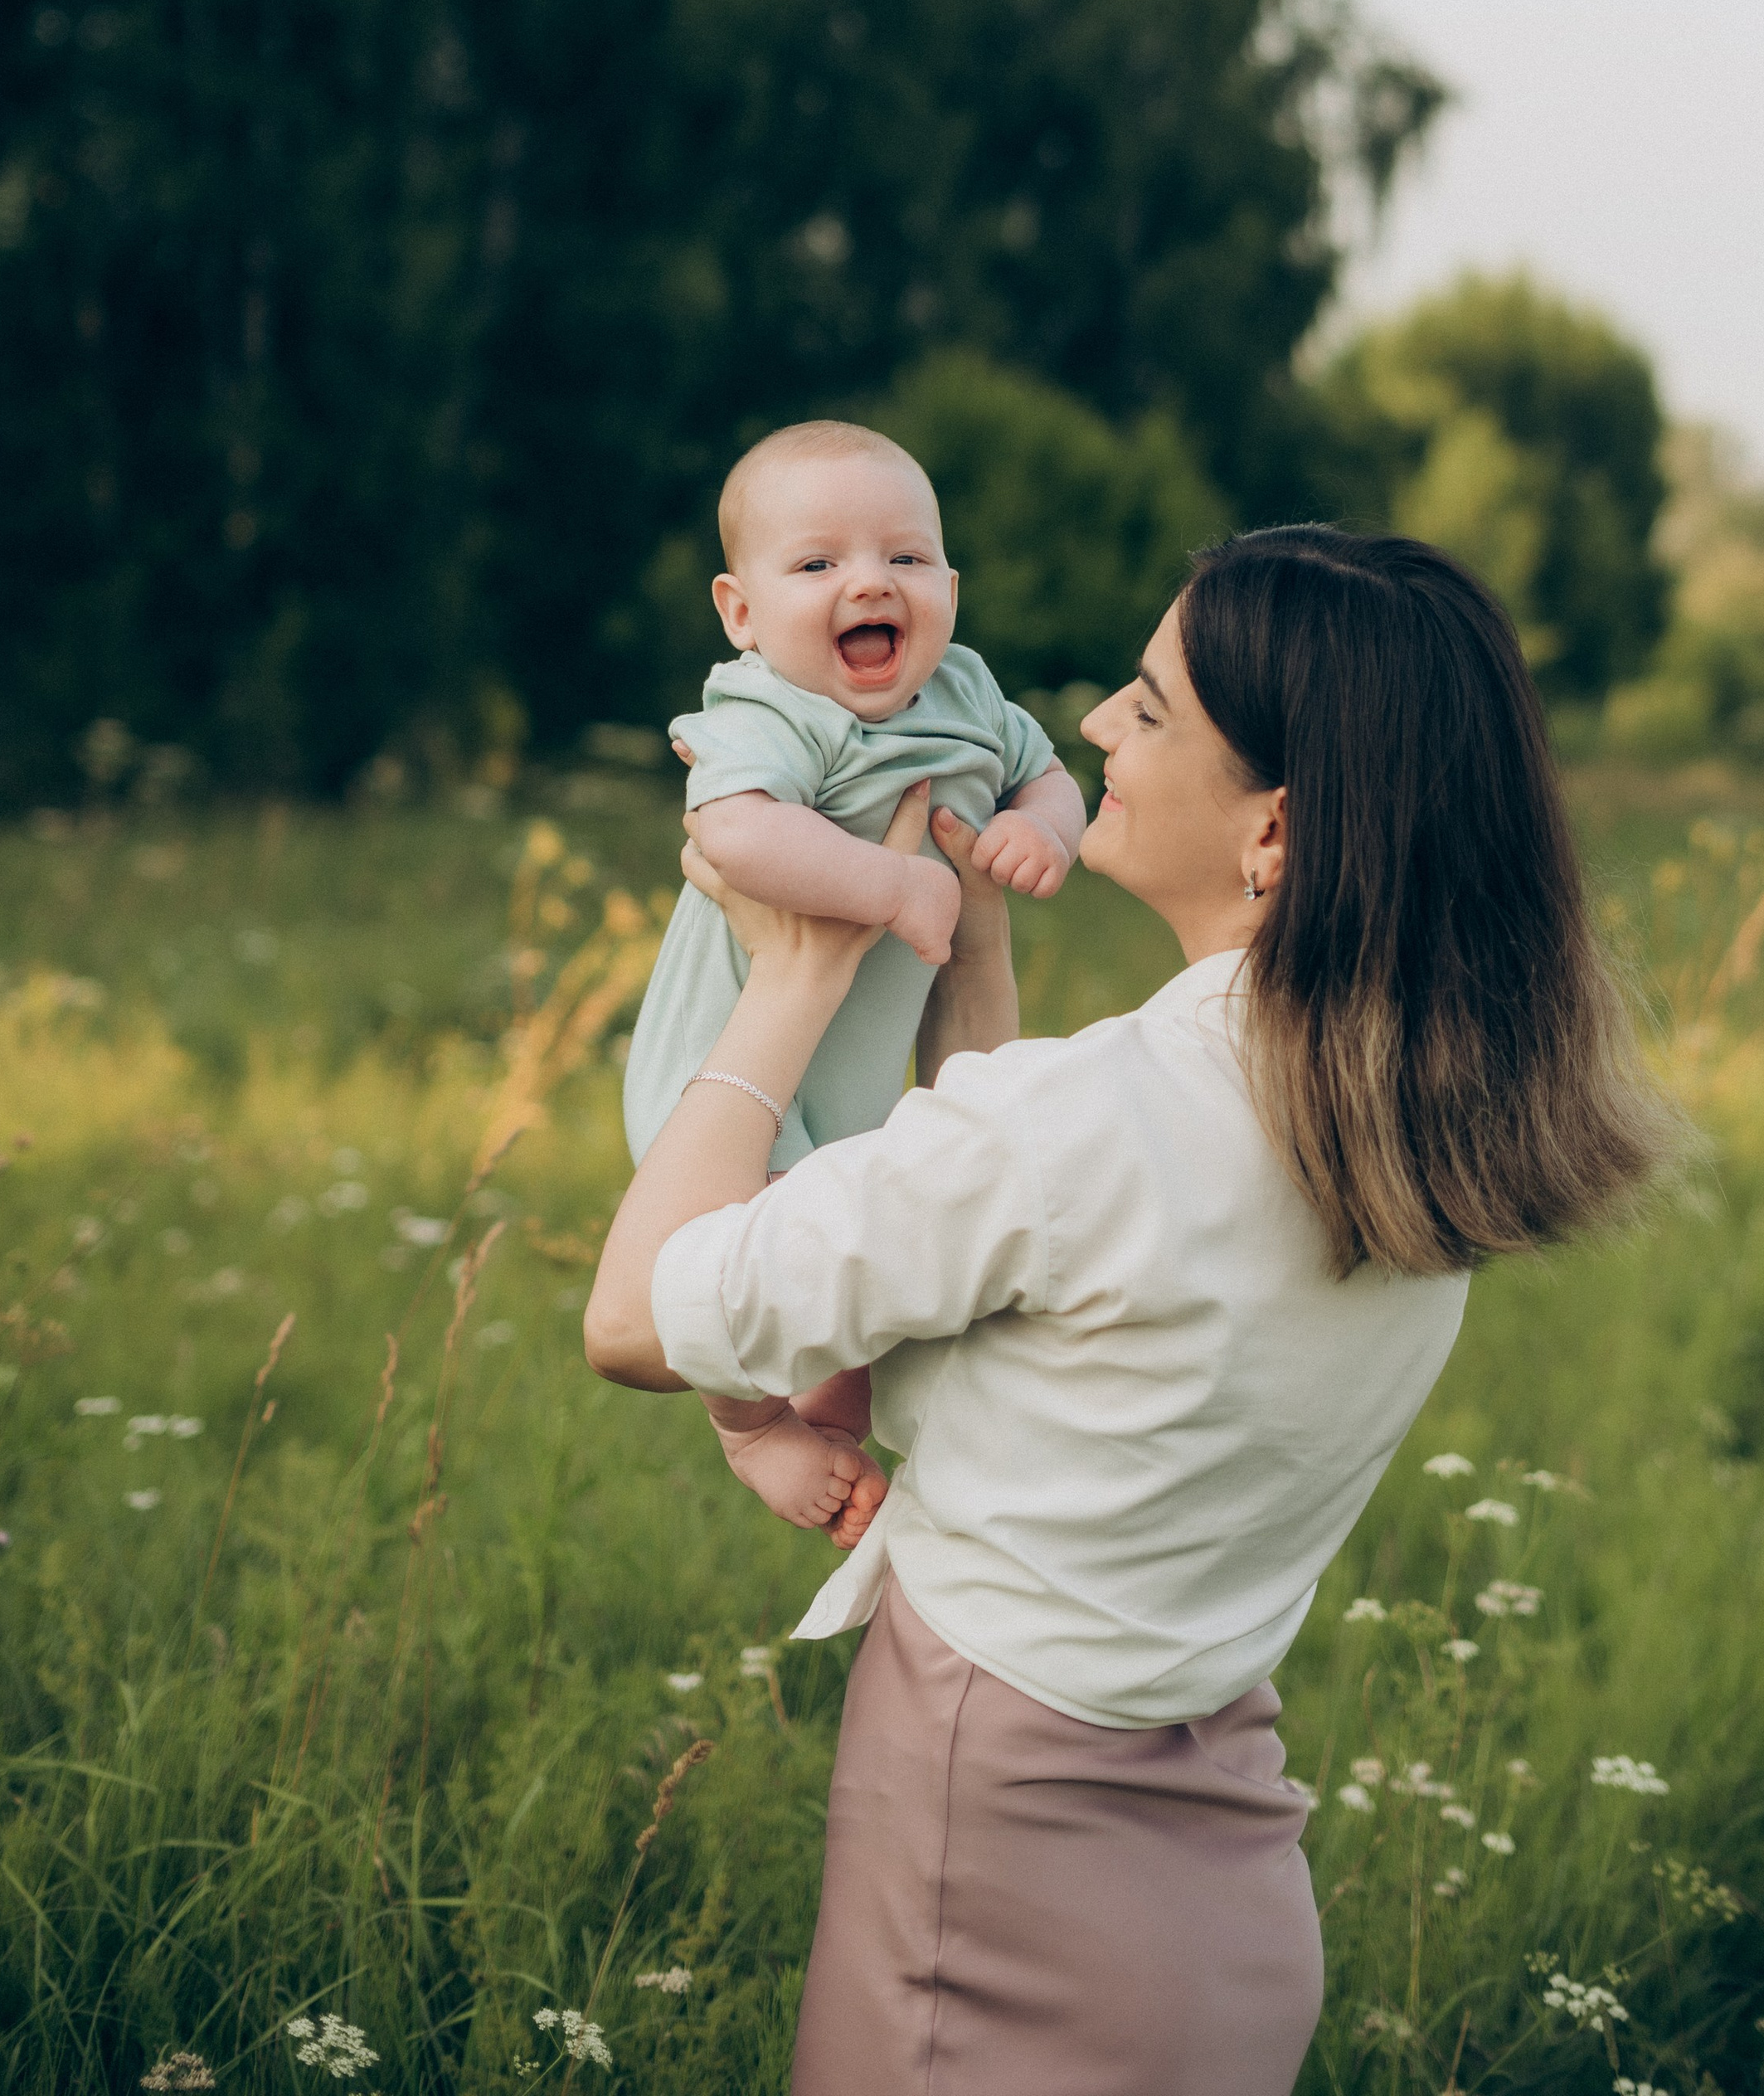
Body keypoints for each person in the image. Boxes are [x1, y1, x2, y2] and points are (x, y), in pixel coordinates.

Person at [586, 526, 1670, 2096]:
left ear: (1275, 828)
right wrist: (975, 945)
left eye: (1150, 707)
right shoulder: (1414, 1133)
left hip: (994, 1856)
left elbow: (635, 1317)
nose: (1094, 721)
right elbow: (1026, 1228)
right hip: (1213, 1872)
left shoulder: (1086, 1122)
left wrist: (795, 976)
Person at [620, 418, 1086, 1534]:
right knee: (734, 1260)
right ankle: (750, 1430)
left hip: (861, 1084)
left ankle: (834, 1406)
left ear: (951, 589)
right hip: (730, 1072)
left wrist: (1042, 830)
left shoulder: (968, 693)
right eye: (819, 562)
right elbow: (734, 833)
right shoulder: (773, 710)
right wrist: (891, 886)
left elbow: (1050, 775)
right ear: (741, 612)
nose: (870, 582)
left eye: (906, 557)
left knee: (867, 1252)